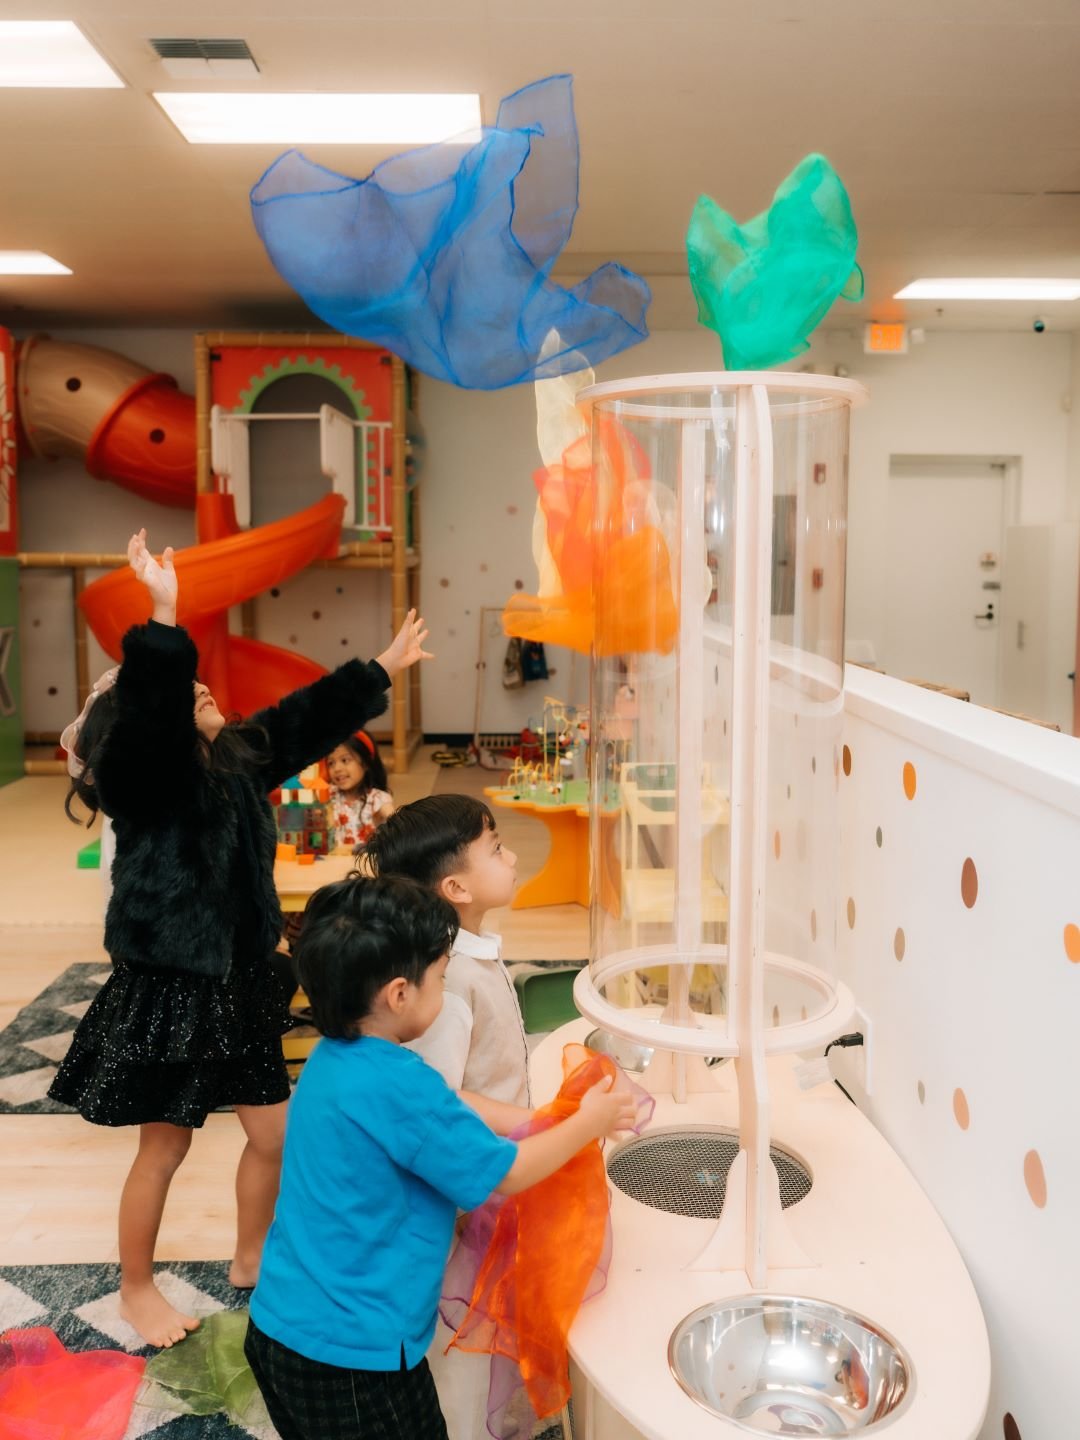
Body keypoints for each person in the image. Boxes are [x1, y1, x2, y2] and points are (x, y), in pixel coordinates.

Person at [49, 529, 431, 1349]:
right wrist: (161, 610)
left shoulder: (233, 757)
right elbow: (153, 712)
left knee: (273, 1132)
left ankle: (253, 1253)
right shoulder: (151, 780)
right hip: (172, 982)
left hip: (240, 978)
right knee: (166, 1146)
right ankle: (136, 1286)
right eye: (189, 695)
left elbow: (301, 721)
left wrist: (381, 669)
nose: (205, 695)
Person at [245, 874, 635, 1440]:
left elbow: (448, 1107)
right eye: (442, 979)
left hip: (286, 1323)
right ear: (400, 994)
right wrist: (588, 1123)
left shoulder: (338, 1058)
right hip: (354, 1354)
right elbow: (512, 1173)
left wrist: (541, 1121)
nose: (445, 989)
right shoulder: (401, 1087)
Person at [360, 795, 529, 1439]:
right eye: (496, 848)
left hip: (487, 1163)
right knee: (464, 1316)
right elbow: (435, 1097)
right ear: (455, 886)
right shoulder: (450, 981)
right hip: (468, 1182)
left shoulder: (466, 954)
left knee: (485, 1305)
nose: (510, 856)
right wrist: (528, 1121)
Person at [325, 730, 393, 851]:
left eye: (345, 760)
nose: (337, 768)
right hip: (332, 862)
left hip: (365, 864)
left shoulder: (378, 798)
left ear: (366, 763)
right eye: (331, 763)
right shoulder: (327, 794)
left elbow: (397, 822)